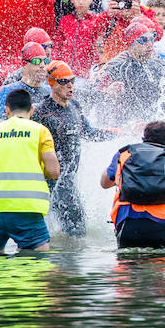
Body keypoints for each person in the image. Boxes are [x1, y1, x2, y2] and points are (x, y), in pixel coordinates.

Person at [0, 88, 61, 255]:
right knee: (35, 263)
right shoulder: (40, 131)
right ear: (31, 110)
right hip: (28, 210)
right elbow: (54, 172)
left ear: (7, 109)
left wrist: (0, 173)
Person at [32, 61, 114, 237]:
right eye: (64, 81)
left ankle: (62, 260)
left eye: (72, 80)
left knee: (71, 232)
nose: (70, 85)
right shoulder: (41, 112)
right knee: (74, 231)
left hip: (69, 180)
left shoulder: (75, 106)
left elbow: (89, 133)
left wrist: (119, 132)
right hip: (50, 182)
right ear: (51, 83)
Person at [101, 120, 165, 248]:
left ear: (144, 138)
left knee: (128, 264)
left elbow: (104, 183)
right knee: (162, 265)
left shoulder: (125, 153)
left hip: (127, 222)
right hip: (162, 223)